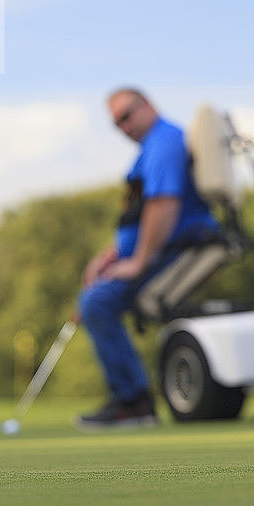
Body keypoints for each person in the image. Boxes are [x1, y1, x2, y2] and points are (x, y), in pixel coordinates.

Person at [76, 88, 219, 429]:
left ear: (148, 106)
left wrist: (138, 262)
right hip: (157, 251)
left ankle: (133, 402)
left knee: (97, 303)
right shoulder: (150, 149)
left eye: (127, 116)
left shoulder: (165, 142)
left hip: (176, 249)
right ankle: (132, 400)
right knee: (95, 300)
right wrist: (110, 255)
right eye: (116, 123)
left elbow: (163, 207)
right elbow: (138, 215)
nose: (123, 126)